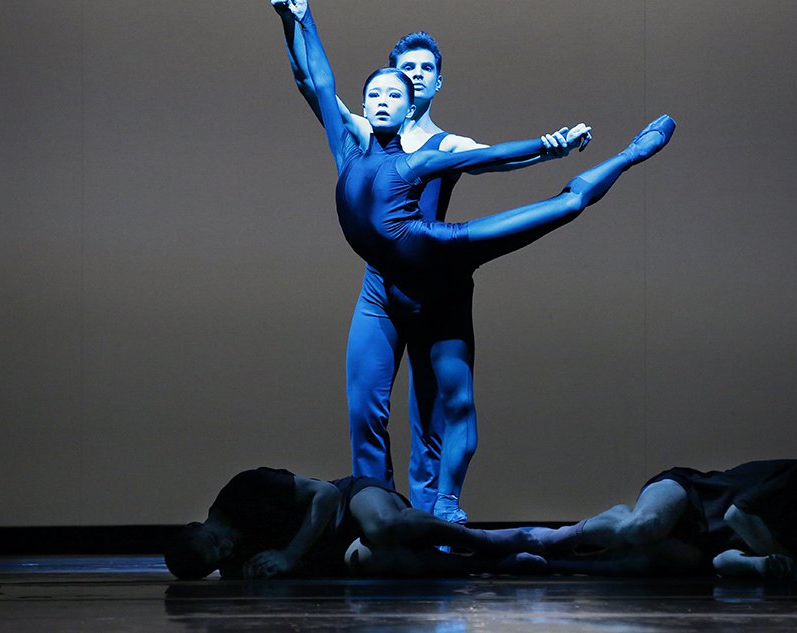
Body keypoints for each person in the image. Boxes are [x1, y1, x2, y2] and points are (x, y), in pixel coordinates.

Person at [275, 0, 676, 524]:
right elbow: (315, 82)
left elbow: (490, 157)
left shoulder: (436, 149)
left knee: (440, 410)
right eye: (395, 78)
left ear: (429, 87)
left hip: (438, 268)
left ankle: (436, 518)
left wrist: (550, 147)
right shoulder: (355, 135)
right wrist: (296, 16)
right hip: (384, 285)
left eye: (421, 72)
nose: (408, 81)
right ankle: (376, 515)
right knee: (364, 408)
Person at [532, 460, 797, 580]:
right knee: (642, 528)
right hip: (692, 496)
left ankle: (547, 562)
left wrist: (769, 566)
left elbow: (723, 562)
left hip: (701, 544)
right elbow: (737, 515)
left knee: (631, 567)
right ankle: (551, 538)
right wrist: (787, 563)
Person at [163, 467, 543, 580]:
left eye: (214, 542)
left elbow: (326, 494)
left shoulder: (243, 489)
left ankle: (484, 540)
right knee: (379, 560)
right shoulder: (234, 564)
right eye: (217, 558)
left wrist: (289, 554)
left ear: (196, 525)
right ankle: (491, 564)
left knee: (383, 527)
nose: (225, 549)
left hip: (348, 501)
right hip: (336, 547)